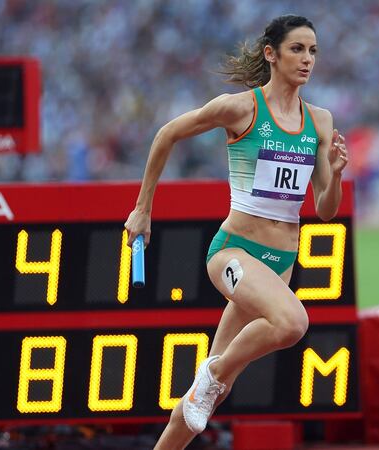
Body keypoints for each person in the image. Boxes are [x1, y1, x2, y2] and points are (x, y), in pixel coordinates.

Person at [124, 14, 349, 450]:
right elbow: (167, 134)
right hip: (234, 252)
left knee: (202, 403)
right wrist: (142, 209)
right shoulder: (242, 108)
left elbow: (325, 210)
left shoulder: (319, 121)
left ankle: (204, 387)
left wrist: (336, 176)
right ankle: (214, 373)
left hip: (280, 263)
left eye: (313, 51)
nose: (307, 60)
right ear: (271, 54)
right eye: (297, 49)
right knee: (292, 322)